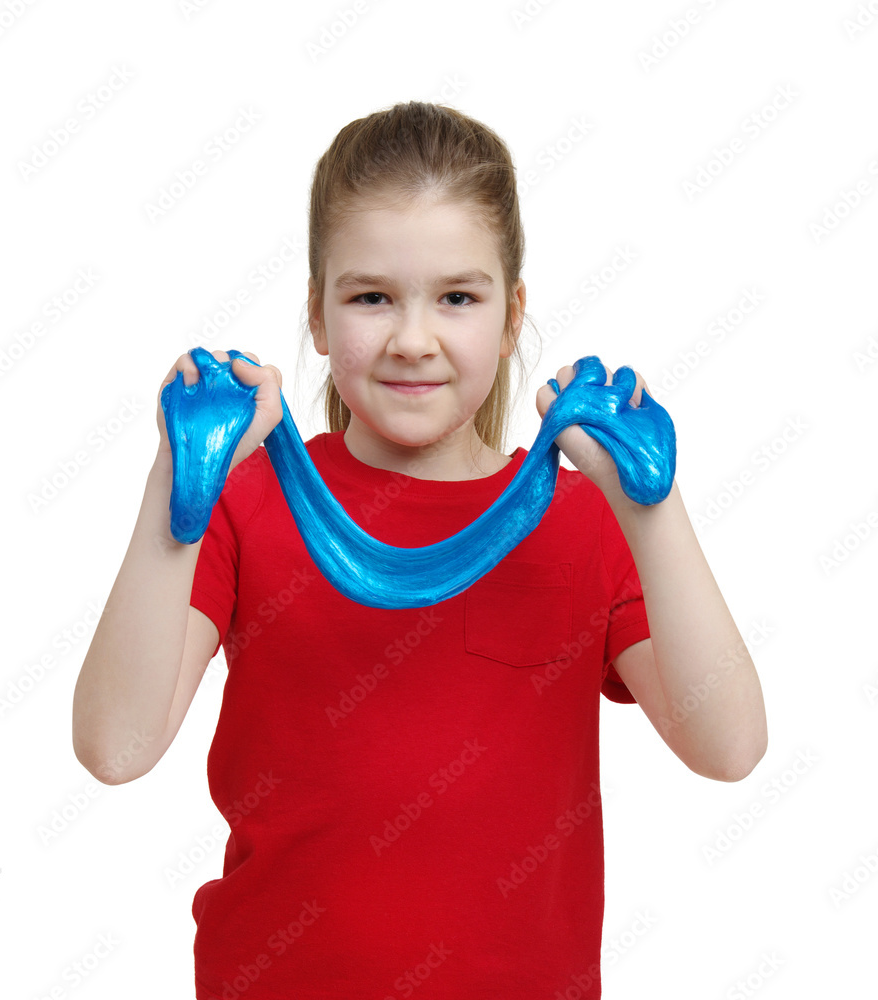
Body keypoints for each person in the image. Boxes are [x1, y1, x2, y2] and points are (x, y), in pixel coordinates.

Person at [72, 101, 767, 999]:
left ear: (513, 317)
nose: (411, 338)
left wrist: (654, 508)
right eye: (370, 297)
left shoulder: (584, 519)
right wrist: (180, 480)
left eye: (457, 297)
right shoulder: (249, 499)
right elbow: (114, 748)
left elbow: (732, 745)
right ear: (317, 320)